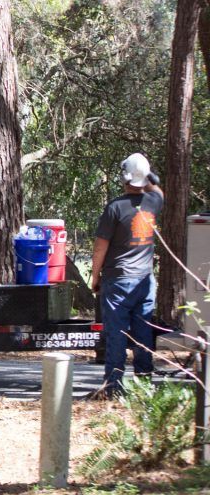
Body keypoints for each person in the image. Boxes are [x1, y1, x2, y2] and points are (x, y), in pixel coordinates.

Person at [90, 152, 164, 397]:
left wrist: (95, 276)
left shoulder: (115, 208)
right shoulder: (153, 202)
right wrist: (150, 176)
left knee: (116, 334)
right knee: (143, 333)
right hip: (144, 281)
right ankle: (144, 386)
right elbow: (159, 191)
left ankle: (113, 388)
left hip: (118, 280)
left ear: (125, 178)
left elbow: (100, 247)